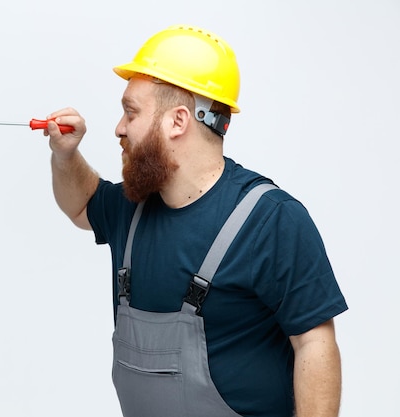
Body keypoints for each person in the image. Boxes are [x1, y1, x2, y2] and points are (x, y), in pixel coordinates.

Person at [45, 25, 348, 417]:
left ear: (178, 121)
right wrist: (65, 155)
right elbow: (80, 205)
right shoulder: (131, 207)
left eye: (131, 112)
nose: (119, 128)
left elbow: (314, 344)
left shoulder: (270, 220)